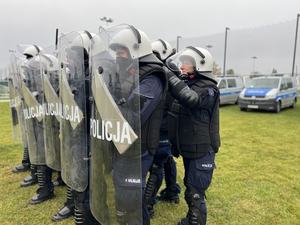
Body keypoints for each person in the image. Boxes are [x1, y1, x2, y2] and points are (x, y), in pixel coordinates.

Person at [108, 25, 167, 225]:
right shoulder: (125, 73)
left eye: (121, 50)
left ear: (136, 49)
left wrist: (109, 105)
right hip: (121, 141)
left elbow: (133, 115)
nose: (118, 55)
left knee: (132, 200)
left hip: (139, 146)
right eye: (115, 51)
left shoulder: (152, 77)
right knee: (123, 196)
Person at [167, 46, 220, 225]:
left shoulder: (208, 88)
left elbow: (191, 100)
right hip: (191, 147)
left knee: (195, 192)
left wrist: (169, 76)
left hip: (203, 148)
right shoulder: (190, 83)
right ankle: (191, 220)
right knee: (190, 185)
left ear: (200, 65)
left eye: (187, 64)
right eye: (182, 63)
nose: (182, 67)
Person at [144, 39, 181, 217]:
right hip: (165, 125)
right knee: (167, 160)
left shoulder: (166, 71)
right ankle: (172, 191)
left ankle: (149, 205)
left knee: (157, 165)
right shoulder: (169, 68)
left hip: (162, 126)